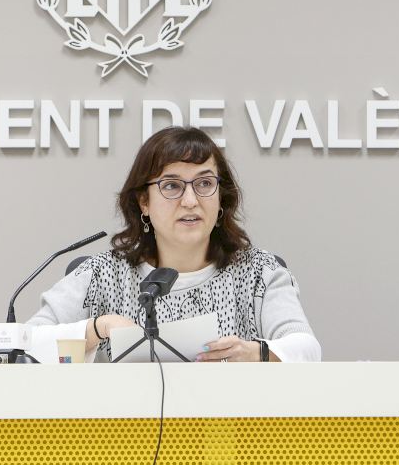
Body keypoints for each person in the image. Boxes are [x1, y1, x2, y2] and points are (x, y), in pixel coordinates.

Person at [28, 126, 321, 362]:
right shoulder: (103, 275)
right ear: (144, 201)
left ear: (221, 197)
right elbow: (25, 344)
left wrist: (257, 353)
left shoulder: (258, 272)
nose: (190, 201)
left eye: (204, 183)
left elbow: (307, 348)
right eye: (171, 186)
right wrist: (97, 328)